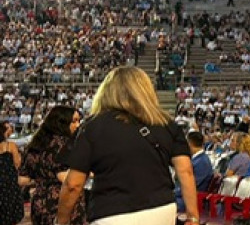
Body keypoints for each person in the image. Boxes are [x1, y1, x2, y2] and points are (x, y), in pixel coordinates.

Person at [57, 66, 199, 225]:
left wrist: (61, 221)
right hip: (162, 209)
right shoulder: (166, 123)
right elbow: (185, 171)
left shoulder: (92, 127)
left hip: (112, 213)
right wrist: (192, 216)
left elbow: (73, 185)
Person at [22, 106, 82, 225]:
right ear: (61, 122)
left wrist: (45, 179)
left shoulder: (34, 145)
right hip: (62, 205)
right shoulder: (65, 145)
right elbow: (65, 178)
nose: (78, 125)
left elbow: (23, 179)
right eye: (74, 121)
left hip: (39, 204)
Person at [176, 131, 213, 212]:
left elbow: (190, 185)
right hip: (184, 196)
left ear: (190, 143)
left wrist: (172, 194)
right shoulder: (197, 159)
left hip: (191, 199)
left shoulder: (202, 162)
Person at [0, 120, 24, 225]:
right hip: (10, 181)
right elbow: (17, 163)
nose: (11, 128)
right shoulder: (11, 145)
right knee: (11, 208)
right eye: (9, 127)